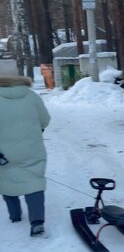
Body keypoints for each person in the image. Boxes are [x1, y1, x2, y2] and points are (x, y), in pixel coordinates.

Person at [0, 66, 50, 237]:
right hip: (32, 150)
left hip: (4, 155)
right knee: (34, 182)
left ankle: (15, 216)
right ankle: (37, 221)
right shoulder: (32, 96)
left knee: (6, 181)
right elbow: (45, 119)